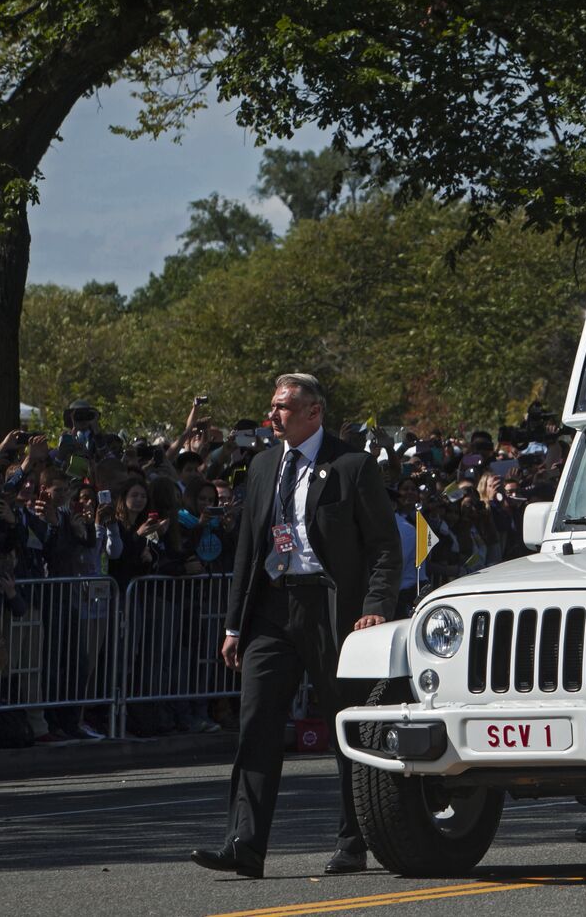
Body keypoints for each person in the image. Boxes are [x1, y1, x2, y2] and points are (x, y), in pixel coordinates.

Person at [192, 373, 401, 879]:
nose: (274, 415)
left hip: (330, 609)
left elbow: (383, 547)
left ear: (314, 412)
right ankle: (244, 843)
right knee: (257, 723)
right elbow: (249, 550)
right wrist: (234, 625)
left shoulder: (352, 465)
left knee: (345, 724)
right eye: (272, 406)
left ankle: (354, 840)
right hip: (272, 608)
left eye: (285, 407)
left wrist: (375, 607)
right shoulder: (264, 465)